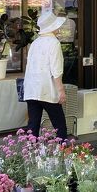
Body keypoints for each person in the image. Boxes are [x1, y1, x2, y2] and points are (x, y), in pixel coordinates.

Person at [24, 10, 68, 140]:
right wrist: (61, 91)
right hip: (47, 89)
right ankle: (62, 154)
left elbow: (29, 67)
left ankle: (32, 155)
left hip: (32, 89)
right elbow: (56, 70)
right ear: (53, 27)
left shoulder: (35, 43)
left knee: (33, 125)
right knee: (60, 125)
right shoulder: (54, 43)